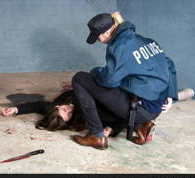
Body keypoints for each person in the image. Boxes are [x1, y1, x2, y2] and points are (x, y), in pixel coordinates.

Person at [69, 12, 178, 149]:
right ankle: (142, 126)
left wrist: (96, 71)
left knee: (80, 78)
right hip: (157, 107)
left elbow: (109, 81)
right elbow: (170, 65)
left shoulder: (118, 47)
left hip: (139, 109)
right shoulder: (146, 41)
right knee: (123, 83)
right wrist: (170, 95)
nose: (98, 40)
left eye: (98, 36)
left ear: (108, 32)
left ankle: (96, 135)